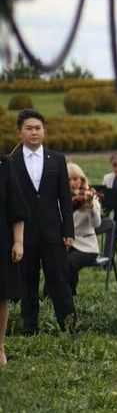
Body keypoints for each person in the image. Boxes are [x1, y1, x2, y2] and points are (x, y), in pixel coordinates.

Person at [11, 109, 75, 335]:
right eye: (29, 128)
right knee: (27, 284)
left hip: (53, 233)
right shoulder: (11, 162)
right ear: (20, 132)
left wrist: (68, 231)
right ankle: (30, 330)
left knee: (59, 281)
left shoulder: (57, 159)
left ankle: (69, 328)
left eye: (38, 128)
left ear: (44, 131)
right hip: (24, 235)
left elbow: (65, 199)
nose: (34, 132)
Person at [0, 150, 28, 365]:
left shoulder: (5, 166)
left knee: (1, 296)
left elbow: (16, 207)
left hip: (2, 242)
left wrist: (18, 241)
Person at [66, 163, 102, 297]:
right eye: (68, 180)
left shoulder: (90, 197)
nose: (72, 183)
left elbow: (96, 223)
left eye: (75, 179)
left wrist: (90, 205)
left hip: (86, 247)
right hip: (65, 244)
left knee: (69, 262)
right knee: (54, 260)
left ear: (81, 180)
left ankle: (70, 293)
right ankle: (50, 294)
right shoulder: (60, 198)